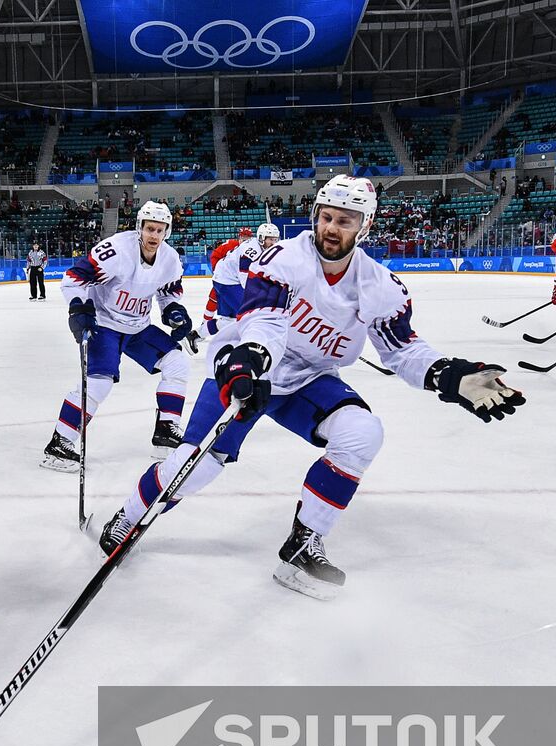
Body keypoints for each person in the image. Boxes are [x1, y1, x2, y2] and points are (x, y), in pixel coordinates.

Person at [95, 175, 525, 599]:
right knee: (197, 465)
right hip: (248, 365)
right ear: (315, 215)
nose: (332, 228)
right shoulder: (281, 258)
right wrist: (252, 362)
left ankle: (305, 541)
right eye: (327, 217)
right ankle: (130, 515)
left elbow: (402, 350)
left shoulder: (379, 285)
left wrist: (449, 375)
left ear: (365, 226)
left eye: (346, 221)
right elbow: (264, 321)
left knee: (362, 433)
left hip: (308, 378)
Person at [41, 200, 192, 472]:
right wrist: (79, 309)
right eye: (149, 229)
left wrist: (174, 312)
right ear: (139, 228)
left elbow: (168, 292)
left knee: (177, 363)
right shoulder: (116, 251)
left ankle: (165, 433)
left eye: (159, 230)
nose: (153, 236)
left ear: (166, 231)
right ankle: (60, 442)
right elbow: (74, 279)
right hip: (106, 324)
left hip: (138, 327)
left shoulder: (170, 259)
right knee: (99, 383)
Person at [201, 223, 280, 337]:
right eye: (270, 239)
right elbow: (245, 280)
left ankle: (197, 335)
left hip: (227, 278)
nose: (273, 243)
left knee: (230, 320)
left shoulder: (262, 248)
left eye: (275, 239)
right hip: (228, 281)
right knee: (250, 314)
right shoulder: (251, 252)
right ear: (262, 238)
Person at [201, 226, 253, 331]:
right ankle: (205, 324)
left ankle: (227, 328)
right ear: (239, 237)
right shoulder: (230, 245)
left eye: (247, 238)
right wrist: (217, 270)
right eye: (243, 237)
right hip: (224, 280)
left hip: (238, 283)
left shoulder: (251, 250)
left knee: (234, 311)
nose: (245, 240)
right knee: (213, 299)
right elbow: (215, 255)